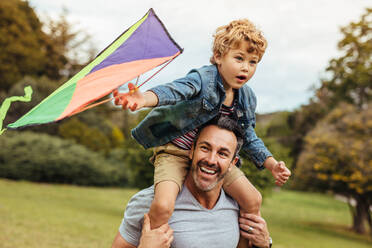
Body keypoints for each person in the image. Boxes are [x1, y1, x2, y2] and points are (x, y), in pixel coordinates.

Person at [113, 18, 291, 230]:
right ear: (218, 57)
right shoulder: (203, 79)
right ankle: (150, 241)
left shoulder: (246, 97)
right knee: (162, 205)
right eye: (239, 58)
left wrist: (271, 164)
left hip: (213, 159)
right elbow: (175, 90)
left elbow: (248, 135)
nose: (246, 68)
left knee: (253, 200)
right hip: (176, 152)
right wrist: (144, 99)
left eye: (252, 62)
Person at [111, 117, 271, 248]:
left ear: (232, 163)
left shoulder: (239, 205)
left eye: (222, 154)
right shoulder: (151, 203)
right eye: (205, 148)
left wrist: (264, 245)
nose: (211, 160)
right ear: (191, 150)